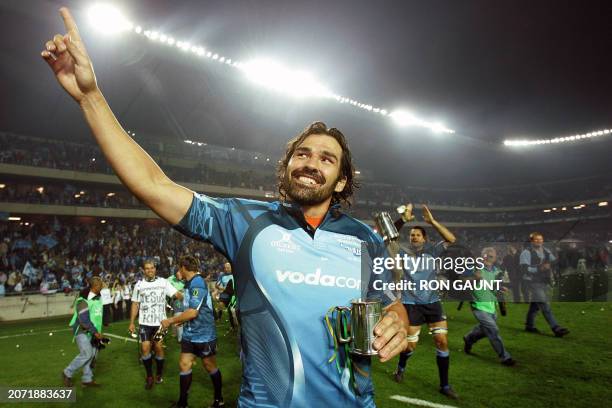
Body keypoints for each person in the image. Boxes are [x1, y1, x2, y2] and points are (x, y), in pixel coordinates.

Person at [42, 9, 409, 407]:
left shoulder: (365, 239)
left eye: (325, 158)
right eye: (302, 153)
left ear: (340, 181)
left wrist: (398, 325)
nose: (309, 162)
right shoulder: (245, 221)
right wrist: (90, 97)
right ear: (287, 167)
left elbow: (391, 306)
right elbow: (153, 186)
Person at [392, 203, 458, 399]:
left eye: (417, 235)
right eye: (411, 235)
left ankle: (444, 385)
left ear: (425, 238)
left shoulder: (433, 250)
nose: (413, 237)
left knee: (442, 341)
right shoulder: (402, 252)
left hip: (432, 303)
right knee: (411, 346)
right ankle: (401, 368)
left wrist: (432, 221)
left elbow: (451, 238)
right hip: (411, 305)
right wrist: (403, 220)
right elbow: (387, 236)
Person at [161, 255, 222, 408]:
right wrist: (182, 319)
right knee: (184, 364)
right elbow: (190, 311)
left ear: (183, 267)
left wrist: (170, 321)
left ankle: (219, 399)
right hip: (190, 334)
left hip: (204, 335)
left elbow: (193, 312)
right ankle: (183, 403)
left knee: (209, 365)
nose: (177, 271)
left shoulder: (197, 284)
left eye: (179, 268)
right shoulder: (189, 284)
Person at [128, 260, 184, 389]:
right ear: (143, 270)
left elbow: (176, 294)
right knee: (145, 348)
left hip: (161, 323)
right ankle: (149, 376)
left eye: (152, 268)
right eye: (147, 268)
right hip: (144, 323)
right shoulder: (139, 285)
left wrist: (190, 300)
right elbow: (135, 303)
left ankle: (158, 373)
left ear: (155, 269)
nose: (150, 270)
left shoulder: (163, 282)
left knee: (158, 347)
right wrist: (131, 322)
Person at [463, 247, 515, 366]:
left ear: (495, 258)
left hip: (492, 307)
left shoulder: (497, 271)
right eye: (485, 255)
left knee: (484, 330)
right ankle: (505, 357)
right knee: (493, 330)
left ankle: (469, 338)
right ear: (481, 256)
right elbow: (461, 281)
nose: (487, 257)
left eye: (491, 256)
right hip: (478, 306)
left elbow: (496, 288)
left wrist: (501, 289)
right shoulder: (473, 268)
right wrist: (473, 278)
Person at [520, 232, 570, 337]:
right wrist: (539, 268)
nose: (539, 241)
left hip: (544, 280)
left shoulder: (546, 251)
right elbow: (524, 269)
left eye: (541, 239)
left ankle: (529, 326)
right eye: (536, 239)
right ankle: (556, 328)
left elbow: (555, 262)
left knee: (535, 305)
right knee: (544, 304)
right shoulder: (526, 252)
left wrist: (561, 254)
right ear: (531, 241)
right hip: (532, 281)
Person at [62, 276, 104, 387]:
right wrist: (95, 332)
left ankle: (87, 379)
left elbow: (97, 316)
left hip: (94, 332)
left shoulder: (98, 298)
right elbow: (84, 320)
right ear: (95, 286)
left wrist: (98, 331)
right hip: (82, 331)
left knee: (91, 355)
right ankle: (67, 372)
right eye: (100, 285)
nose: (102, 286)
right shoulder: (82, 300)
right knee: (87, 354)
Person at [168, 268, 186, 342]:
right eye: (179, 273)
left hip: (185, 300)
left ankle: (176, 333)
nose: (180, 275)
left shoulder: (185, 279)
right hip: (176, 300)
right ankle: (180, 338)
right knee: (178, 316)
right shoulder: (170, 279)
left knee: (178, 316)